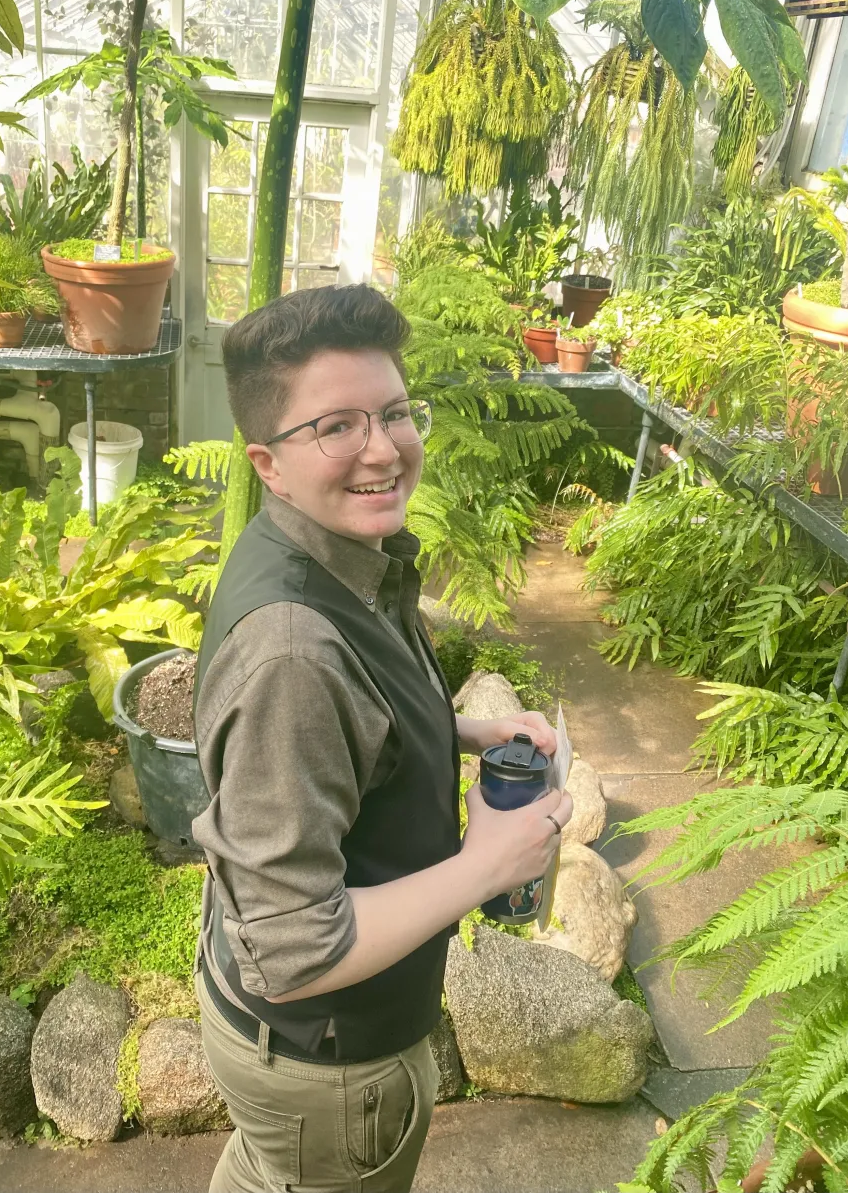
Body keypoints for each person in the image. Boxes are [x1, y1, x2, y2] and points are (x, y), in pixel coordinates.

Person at [192, 284, 573, 1193]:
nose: (383, 447)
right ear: (269, 462)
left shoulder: (327, 552)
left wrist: (469, 727)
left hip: (298, 1042)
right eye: (336, 426)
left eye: (396, 412)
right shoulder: (292, 652)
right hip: (328, 1059)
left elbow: (348, 723)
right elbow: (294, 953)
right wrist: (488, 864)